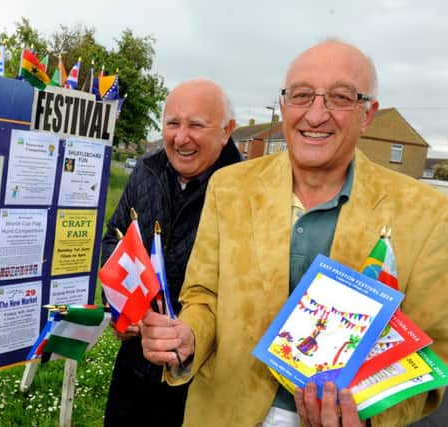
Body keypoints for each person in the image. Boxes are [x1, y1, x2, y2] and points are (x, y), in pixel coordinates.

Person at [141, 39, 448, 426]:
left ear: (367, 114)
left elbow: (432, 353)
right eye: (301, 95)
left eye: (339, 97)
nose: (315, 115)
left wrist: (367, 419)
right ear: (284, 105)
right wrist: (189, 337)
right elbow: (204, 296)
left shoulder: (426, 213)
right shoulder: (230, 187)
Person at [101, 78, 242, 427]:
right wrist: (124, 307)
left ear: (227, 131)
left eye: (196, 125)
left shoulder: (245, 190)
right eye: (172, 123)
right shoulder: (146, 171)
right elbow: (114, 239)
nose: (181, 138)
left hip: (204, 379)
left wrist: (193, 330)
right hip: (135, 364)